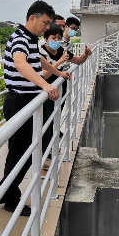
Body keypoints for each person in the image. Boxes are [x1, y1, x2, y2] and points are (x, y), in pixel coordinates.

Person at [0, 1, 70, 216]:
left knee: (24, 152)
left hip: (26, 101)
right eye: (45, 23)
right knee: (21, 153)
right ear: (32, 18)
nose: (47, 27)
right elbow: (20, 63)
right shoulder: (20, 38)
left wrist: (57, 74)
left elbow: (37, 60)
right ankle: (10, 198)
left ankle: (5, 191)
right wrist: (45, 85)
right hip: (19, 101)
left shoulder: (30, 39)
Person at [39, 24, 91, 159]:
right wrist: (59, 62)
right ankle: (45, 150)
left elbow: (78, 60)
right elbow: (43, 76)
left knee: (55, 118)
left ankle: (50, 146)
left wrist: (85, 55)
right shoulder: (41, 53)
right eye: (53, 37)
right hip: (45, 93)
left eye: (58, 38)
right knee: (47, 120)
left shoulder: (63, 50)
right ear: (46, 38)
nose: (56, 40)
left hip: (60, 91)